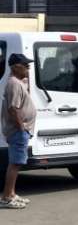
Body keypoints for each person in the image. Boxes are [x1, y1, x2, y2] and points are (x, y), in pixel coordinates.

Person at [1, 54, 36, 209]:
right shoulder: (14, 83)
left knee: (16, 163)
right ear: (16, 67)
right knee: (15, 163)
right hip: (17, 129)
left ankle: (12, 193)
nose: (28, 68)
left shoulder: (18, 82)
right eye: (25, 65)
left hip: (19, 129)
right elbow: (13, 108)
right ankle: (7, 197)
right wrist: (21, 126)